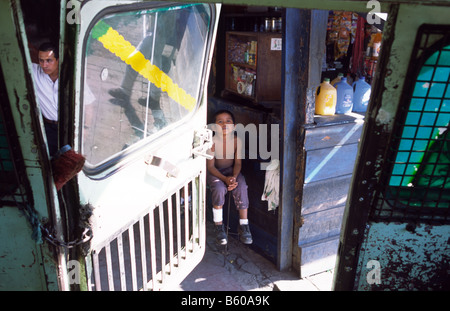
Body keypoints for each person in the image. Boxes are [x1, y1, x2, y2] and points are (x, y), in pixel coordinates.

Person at [206, 110, 252, 245]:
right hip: (215, 172)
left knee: (241, 186)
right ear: (213, 127)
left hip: (232, 172)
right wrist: (225, 179)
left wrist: (233, 177)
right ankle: (218, 226)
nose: (224, 124)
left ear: (234, 126)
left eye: (228, 121)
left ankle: (244, 225)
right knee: (219, 188)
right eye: (219, 122)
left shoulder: (237, 141)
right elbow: (210, 167)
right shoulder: (211, 142)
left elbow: (238, 163)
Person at [32, 42, 59, 157]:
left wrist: (86, 130)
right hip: (49, 128)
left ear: (57, 60)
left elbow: (88, 105)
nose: (44, 65)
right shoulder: (34, 71)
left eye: (49, 60)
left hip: (68, 127)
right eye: (41, 60)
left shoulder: (69, 74)